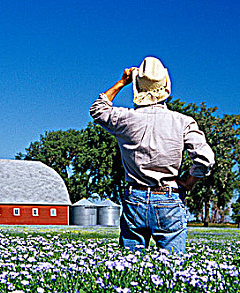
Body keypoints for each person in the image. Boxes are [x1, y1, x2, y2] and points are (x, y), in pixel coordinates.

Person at [89, 56, 215, 253]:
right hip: (169, 197)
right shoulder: (183, 122)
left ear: (138, 88)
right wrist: (189, 182)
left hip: (135, 197)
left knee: (130, 270)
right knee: (172, 271)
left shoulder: (126, 119)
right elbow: (205, 158)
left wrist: (122, 82)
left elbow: (98, 109)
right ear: (165, 87)